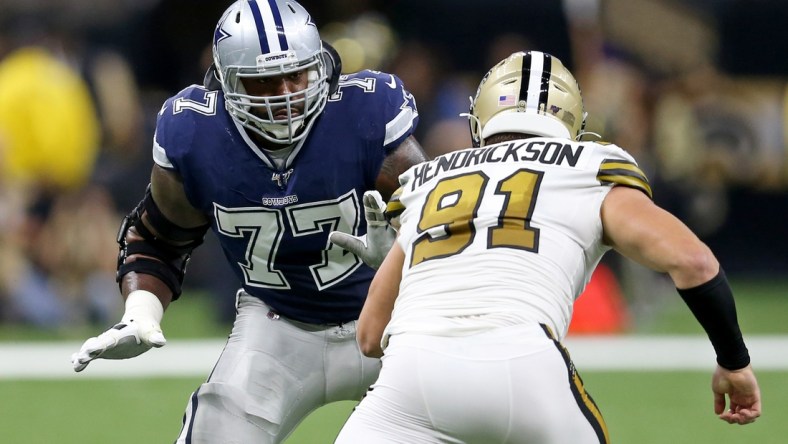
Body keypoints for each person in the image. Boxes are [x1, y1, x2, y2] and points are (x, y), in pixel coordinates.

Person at [332, 51, 761, 443]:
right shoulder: (589, 166)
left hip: (411, 371)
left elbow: (370, 337)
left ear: (479, 118)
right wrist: (734, 363)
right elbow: (693, 261)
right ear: (573, 121)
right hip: (522, 360)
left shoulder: (430, 180)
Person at [70, 1, 428, 442]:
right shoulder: (195, 135)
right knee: (215, 432)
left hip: (394, 322)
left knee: (472, 413)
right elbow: (159, 237)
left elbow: (441, 220)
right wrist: (141, 310)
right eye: (263, 82)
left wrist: (399, 251)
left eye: (295, 75)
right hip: (279, 328)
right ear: (226, 82)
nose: (284, 95)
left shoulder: (364, 113)